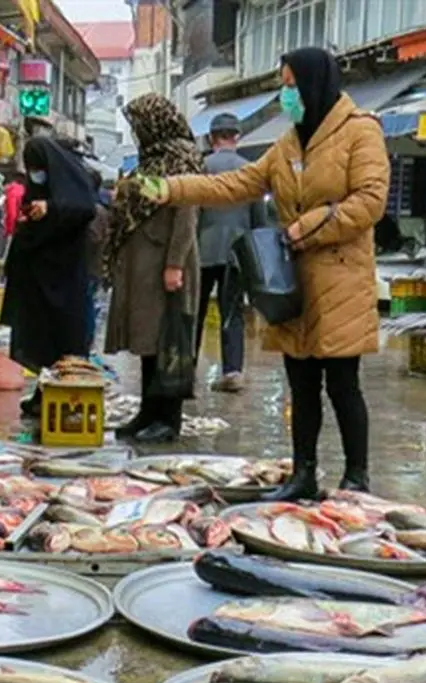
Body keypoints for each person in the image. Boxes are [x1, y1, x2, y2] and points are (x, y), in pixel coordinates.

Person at [137, 47, 388, 497]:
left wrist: (302, 229)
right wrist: (171, 188)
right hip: (291, 280)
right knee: (302, 382)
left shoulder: (360, 132)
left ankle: (356, 478)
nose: (286, 94)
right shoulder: (288, 142)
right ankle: (303, 475)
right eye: (284, 85)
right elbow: (235, 184)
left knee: (343, 384)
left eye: (291, 85)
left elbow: (370, 201)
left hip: (341, 279)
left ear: (314, 83)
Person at [104, 93, 201, 443]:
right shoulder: (151, 158)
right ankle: (149, 411)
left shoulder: (181, 158)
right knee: (148, 340)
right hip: (144, 267)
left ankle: (168, 418)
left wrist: (175, 263)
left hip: (166, 266)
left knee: (168, 342)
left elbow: (187, 215)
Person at [1, 135, 95, 416]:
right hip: (40, 277)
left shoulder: (73, 183)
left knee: (64, 337)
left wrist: (51, 209)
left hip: (64, 277)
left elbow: (83, 209)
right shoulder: (38, 187)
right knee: (40, 334)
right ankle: (44, 392)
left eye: (38, 166)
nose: (35, 173)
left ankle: (67, 396)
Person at [196, 112, 266, 393]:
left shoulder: (200, 168)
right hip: (237, 254)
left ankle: (185, 369)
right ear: (236, 137)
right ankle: (232, 371)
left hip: (201, 251)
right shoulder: (250, 171)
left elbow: (192, 212)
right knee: (232, 313)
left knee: (195, 312)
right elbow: (259, 218)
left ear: (212, 138)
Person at [84, 168, 109, 350]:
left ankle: (86, 344)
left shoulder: (94, 210)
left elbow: (93, 238)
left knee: (87, 306)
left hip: (89, 266)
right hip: (93, 266)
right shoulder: (97, 207)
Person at [1, 174, 25, 254]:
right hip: (23, 227)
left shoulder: (11, 193)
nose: (3, 191)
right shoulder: (22, 189)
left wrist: (9, 231)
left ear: (6, 185)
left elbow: (12, 213)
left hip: (15, 229)